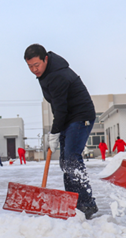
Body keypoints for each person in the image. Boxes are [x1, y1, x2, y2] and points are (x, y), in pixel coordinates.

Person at [24, 44, 98, 219]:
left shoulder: (57, 75)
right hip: (68, 117)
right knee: (65, 162)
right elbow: (58, 107)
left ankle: (86, 204)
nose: (34, 70)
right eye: (30, 67)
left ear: (45, 59)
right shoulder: (46, 73)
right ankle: (73, 202)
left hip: (80, 116)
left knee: (72, 158)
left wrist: (55, 132)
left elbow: (60, 108)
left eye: (37, 65)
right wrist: (56, 130)